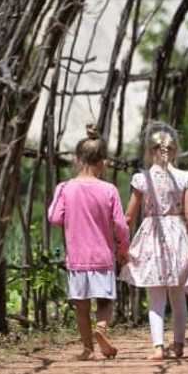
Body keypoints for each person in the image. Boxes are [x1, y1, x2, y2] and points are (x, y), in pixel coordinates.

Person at [121, 121, 188, 360]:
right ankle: (178, 346)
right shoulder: (184, 177)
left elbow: (129, 215)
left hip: (152, 237)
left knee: (155, 297)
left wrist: (120, 240)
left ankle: (158, 347)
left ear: (150, 152)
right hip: (178, 237)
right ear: (174, 151)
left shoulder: (141, 179)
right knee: (178, 297)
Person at [47, 124, 130, 360]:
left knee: (81, 307)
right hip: (102, 257)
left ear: (76, 159)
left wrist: (58, 193)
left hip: (77, 258)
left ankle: (87, 349)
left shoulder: (65, 188)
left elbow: (54, 217)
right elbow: (121, 225)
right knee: (105, 301)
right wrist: (123, 249)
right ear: (102, 162)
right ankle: (101, 329)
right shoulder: (109, 190)